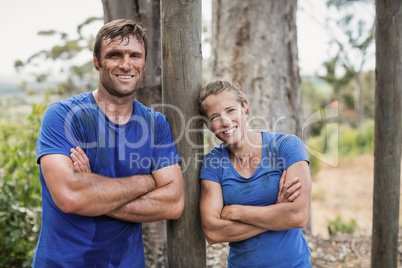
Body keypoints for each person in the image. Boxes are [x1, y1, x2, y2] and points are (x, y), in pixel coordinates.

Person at [33, 19, 184, 267]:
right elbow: (71, 196)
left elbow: (173, 203)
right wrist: (145, 181)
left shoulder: (156, 125)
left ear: (144, 62)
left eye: (135, 55)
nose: (126, 64)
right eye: (115, 55)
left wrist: (93, 191)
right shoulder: (63, 116)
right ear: (97, 61)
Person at [198, 80, 312, 267]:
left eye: (230, 110)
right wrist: (277, 213)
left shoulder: (286, 146)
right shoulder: (213, 163)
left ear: (245, 109)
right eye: (215, 117)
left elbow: (298, 215)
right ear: (209, 125)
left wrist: (237, 211)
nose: (225, 121)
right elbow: (213, 232)